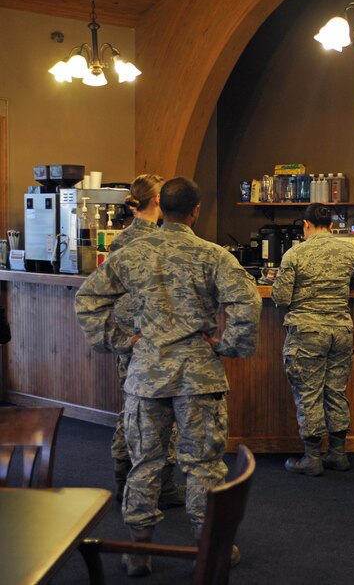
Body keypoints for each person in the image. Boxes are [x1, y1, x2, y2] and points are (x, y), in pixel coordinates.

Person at [75, 177, 261, 576]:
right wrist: (229, 345)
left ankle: (138, 550)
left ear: (161, 207)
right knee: (203, 464)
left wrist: (120, 340)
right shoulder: (213, 255)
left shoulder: (132, 253)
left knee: (145, 462)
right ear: (196, 211)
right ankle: (209, 544)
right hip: (200, 376)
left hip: (146, 375)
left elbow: (88, 299)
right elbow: (247, 300)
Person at [272, 203, 354, 476]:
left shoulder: (295, 253)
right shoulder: (349, 250)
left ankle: (312, 457)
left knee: (309, 392)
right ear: (330, 225)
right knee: (335, 391)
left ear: (306, 224)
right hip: (340, 331)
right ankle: (338, 454)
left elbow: (280, 298)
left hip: (307, 333)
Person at [107, 174, 185, 509]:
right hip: (158, 340)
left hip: (127, 340)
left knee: (131, 407)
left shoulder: (119, 240)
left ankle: (124, 475)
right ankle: (162, 486)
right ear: (157, 200)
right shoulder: (162, 241)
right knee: (162, 412)